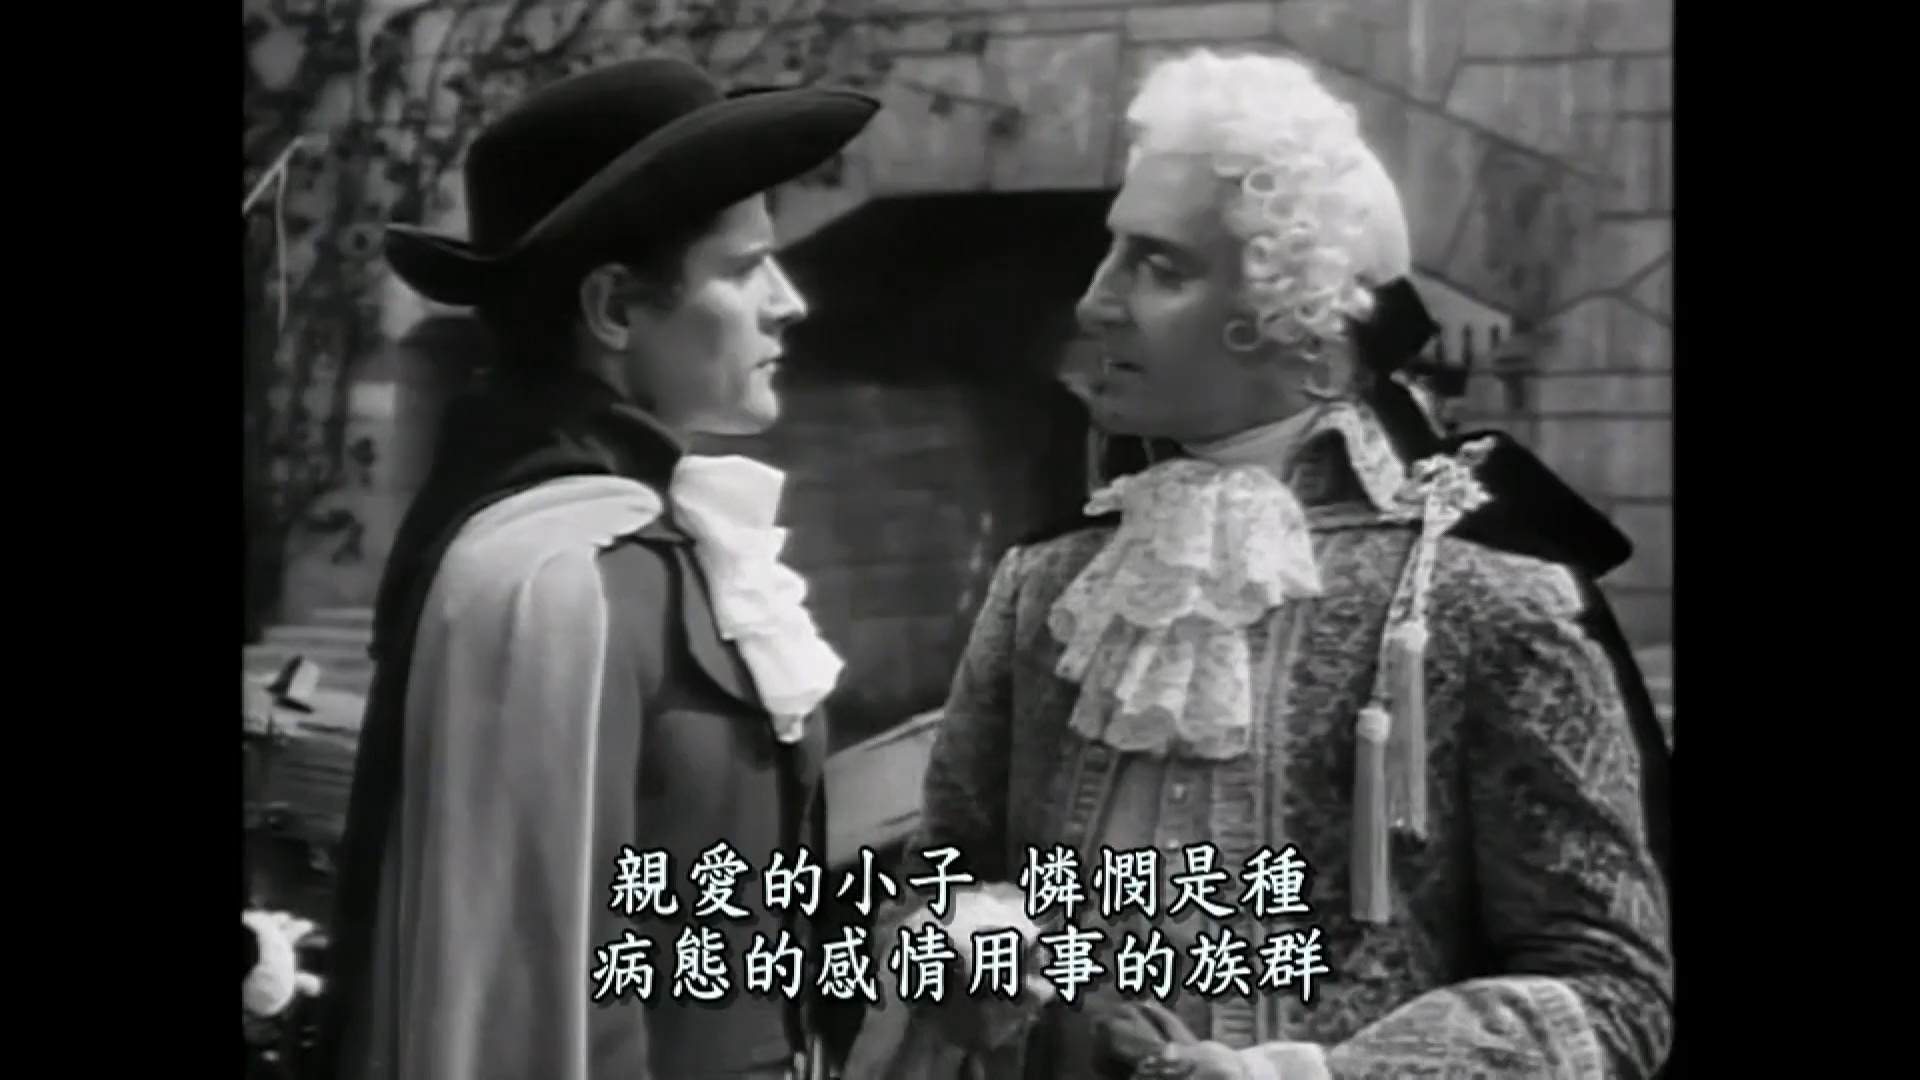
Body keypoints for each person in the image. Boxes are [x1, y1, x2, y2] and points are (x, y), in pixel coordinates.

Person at [850, 49, 1672, 1079]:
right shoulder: (1050, 585)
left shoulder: (1481, 599)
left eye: (1161, 267)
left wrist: (1312, 1077)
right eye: (1114, 254)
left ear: (1303, 329)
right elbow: (940, 880)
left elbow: (1613, 993)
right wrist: (965, 954)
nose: (1097, 301)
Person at [309, 58, 879, 1080]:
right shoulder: (558, 580)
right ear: (615, 306)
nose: (788, 303)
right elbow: (538, 1006)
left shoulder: (642, 549)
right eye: (745, 268)